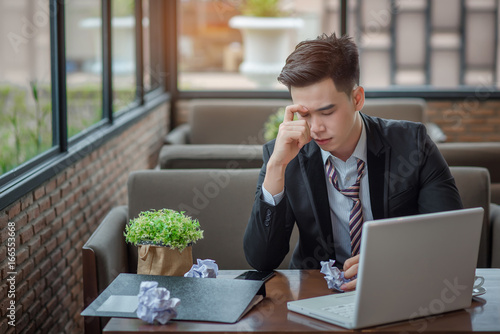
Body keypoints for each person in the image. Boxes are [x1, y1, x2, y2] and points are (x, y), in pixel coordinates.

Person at [243, 33, 463, 291]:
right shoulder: (284, 155)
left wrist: (390, 261)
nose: (315, 128)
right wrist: (276, 168)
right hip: (315, 293)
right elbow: (261, 260)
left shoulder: (411, 143)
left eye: (327, 112)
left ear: (357, 98)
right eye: (304, 114)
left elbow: (452, 237)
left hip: (399, 288)